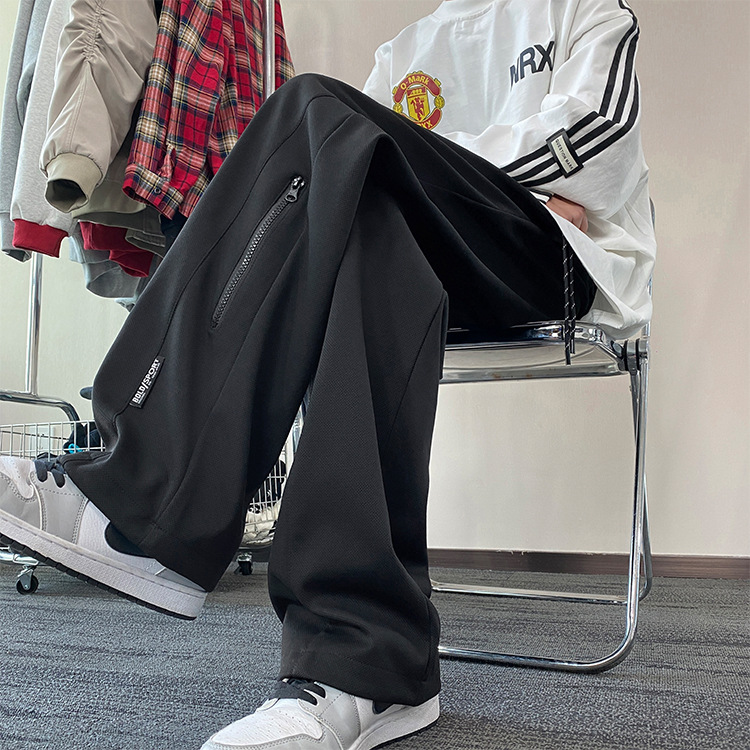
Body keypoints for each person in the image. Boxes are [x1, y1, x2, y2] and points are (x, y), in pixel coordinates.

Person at [0, 1, 655, 748]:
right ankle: (364, 668)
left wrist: (438, 162)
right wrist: (412, 166)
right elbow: (358, 168)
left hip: (549, 258)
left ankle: (143, 499)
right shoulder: (407, 47)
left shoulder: (587, 10)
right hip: (434, 257)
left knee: (316, 112)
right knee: (363, 216)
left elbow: (596, 139)